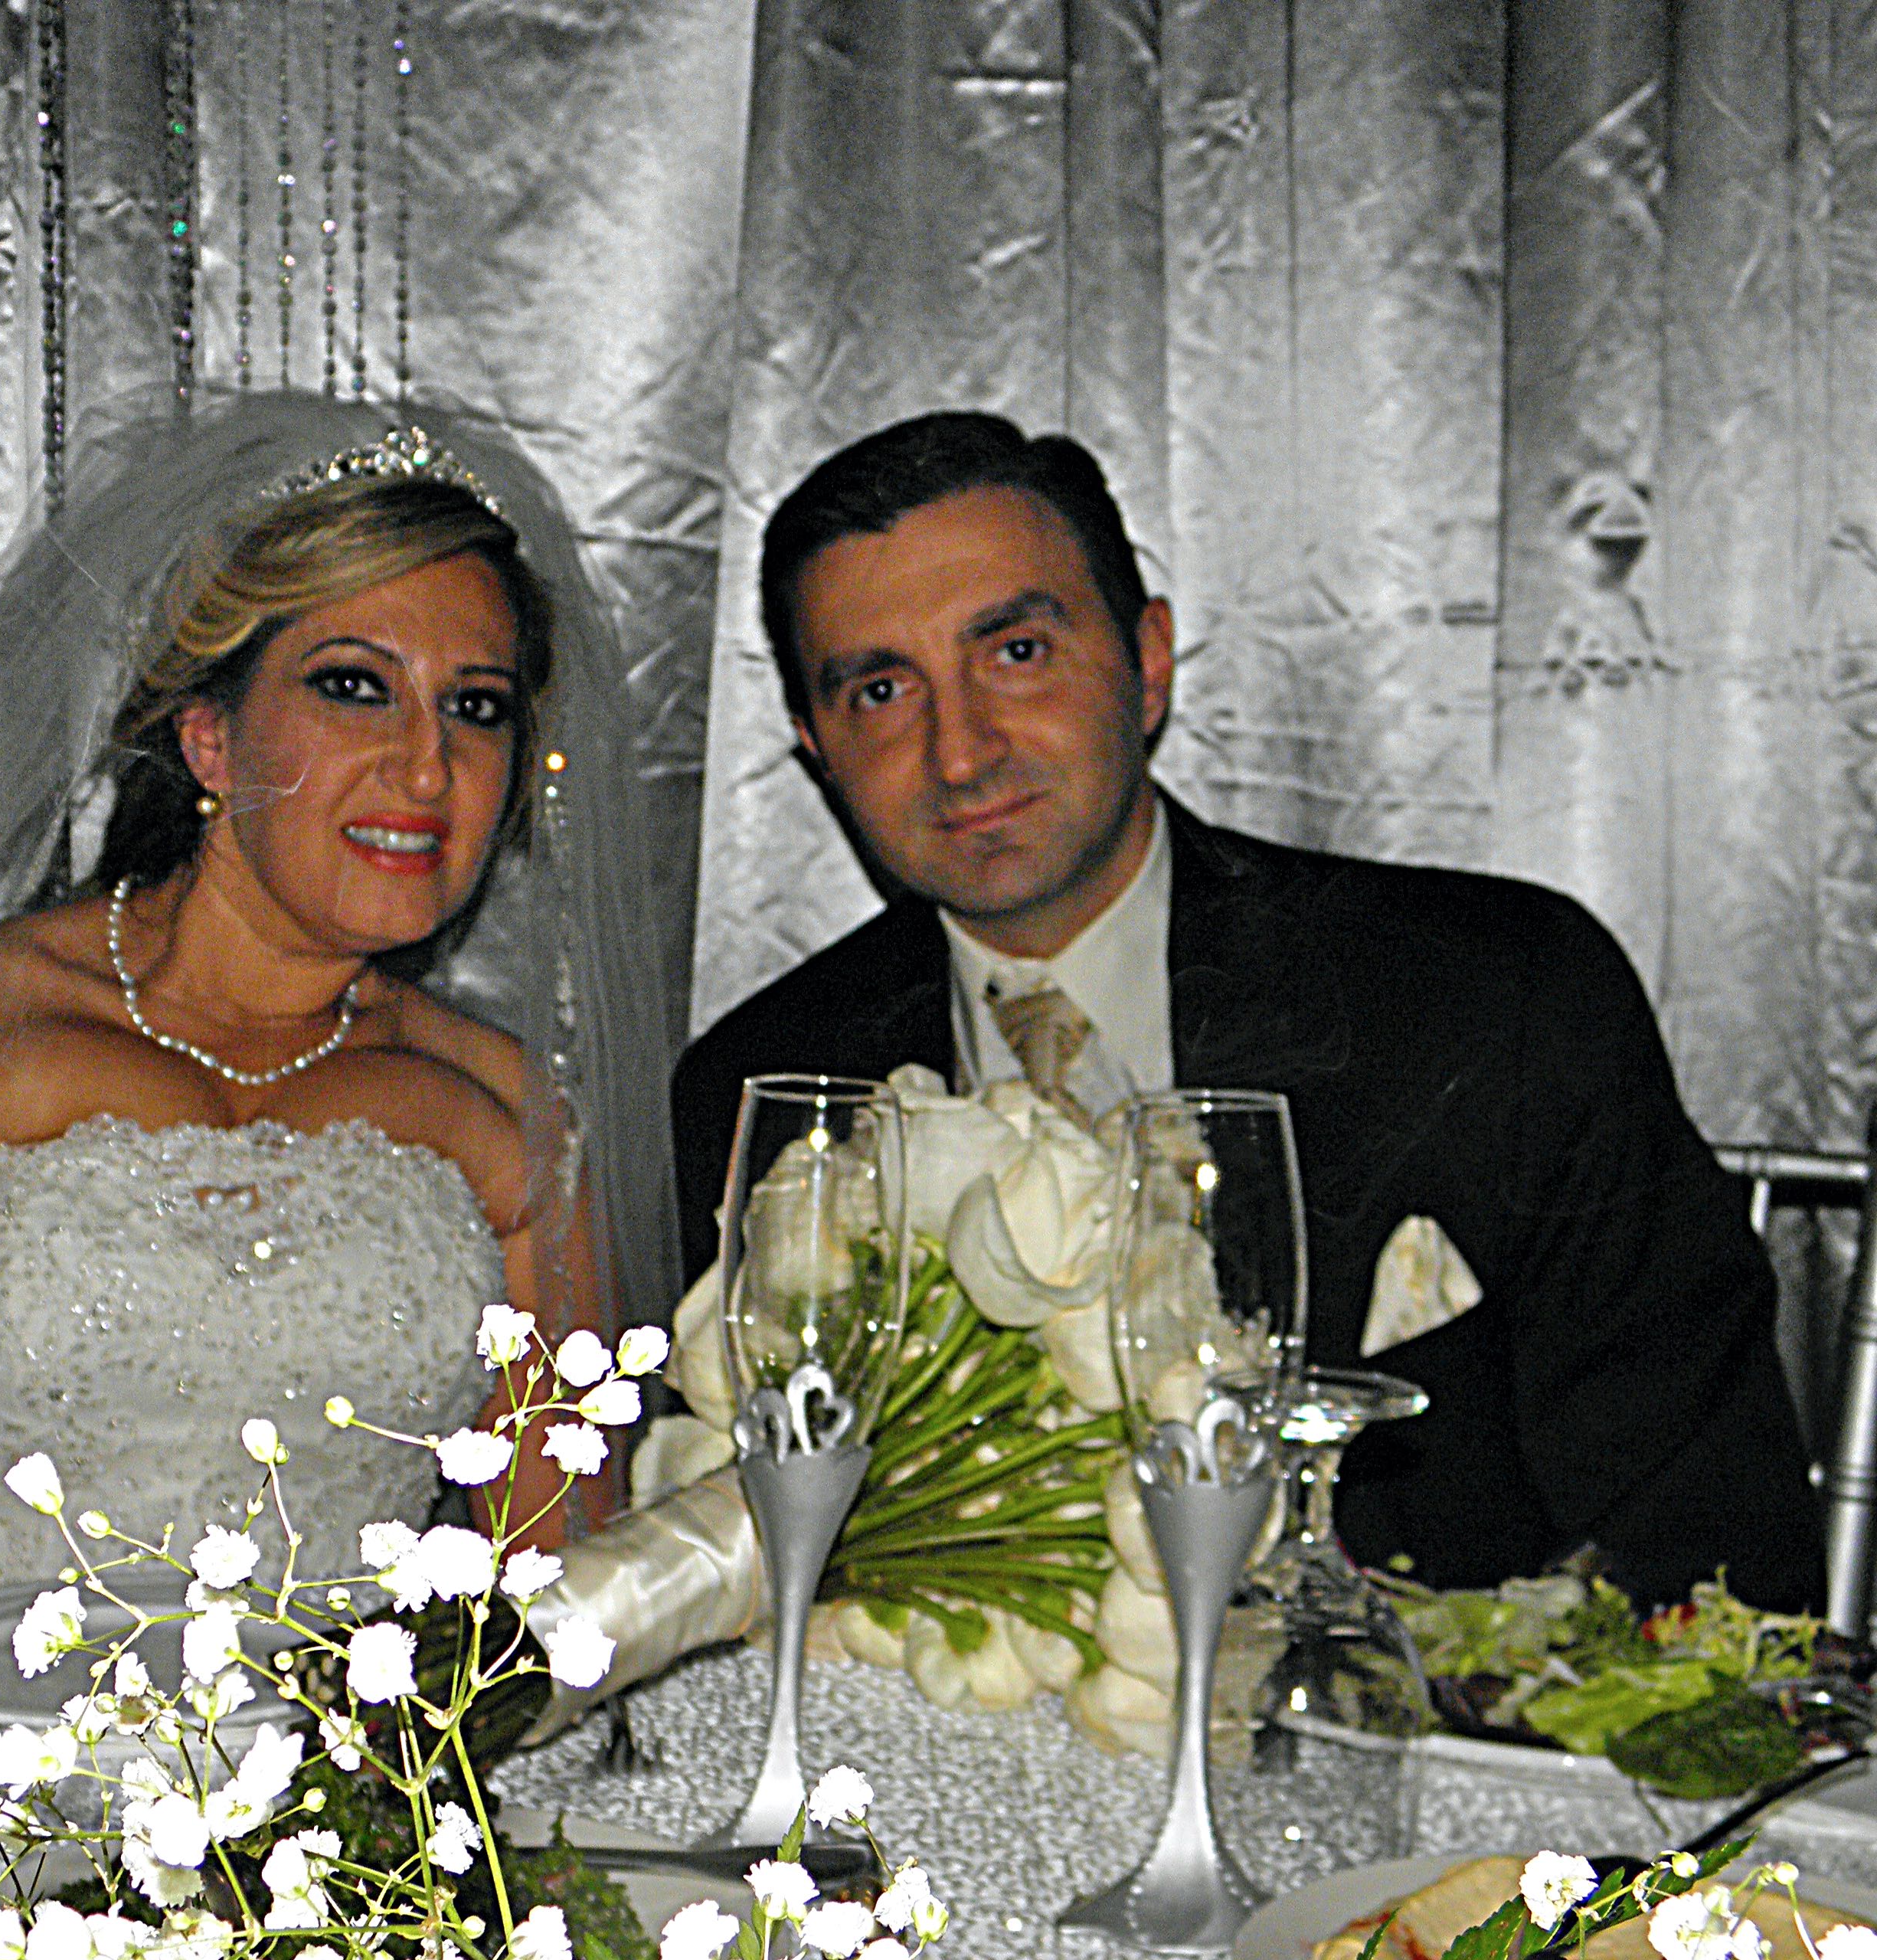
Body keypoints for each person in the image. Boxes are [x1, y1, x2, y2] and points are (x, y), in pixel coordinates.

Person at [673, 410, 1821, 1612]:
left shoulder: (1497, 996)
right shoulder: (758, 1092)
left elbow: (1710, 1544)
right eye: (879, 691)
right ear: (813, 746)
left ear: (1147, 661)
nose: (958, 752)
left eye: (1015, 652)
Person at [0, 396, 679, 1632]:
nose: (426, 766)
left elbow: (550, 1587)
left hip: (348, 1751)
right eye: (356, 687)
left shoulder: (509, 1112)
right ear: (209, 738)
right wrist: (5, 1729)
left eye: (477, 707)